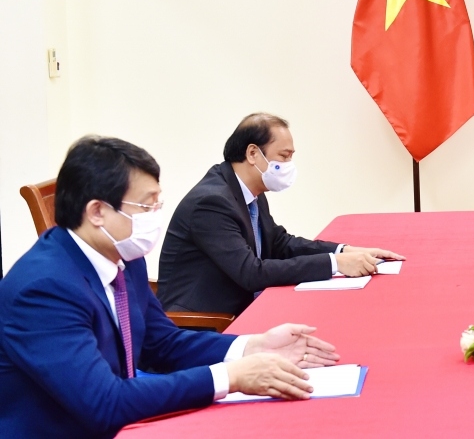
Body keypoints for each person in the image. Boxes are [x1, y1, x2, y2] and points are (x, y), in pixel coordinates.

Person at [0, 136, 340, 438]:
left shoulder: (122, 254)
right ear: (98, 212)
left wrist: (252, 346)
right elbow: (104, 403)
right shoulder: (44, 289)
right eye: (147, 206)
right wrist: (229, 377)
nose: (155, 217)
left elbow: (160, 343)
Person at [158, 113, 403, 316]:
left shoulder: (249, 190)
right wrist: (335, 264)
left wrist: (344, 251)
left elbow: (279, 243)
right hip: (206, 323)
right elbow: (251, 272)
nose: (289, 165)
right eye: (284, 156)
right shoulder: (211, 202)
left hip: (242, 308)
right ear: (253, 154)